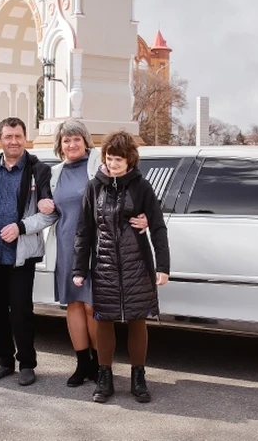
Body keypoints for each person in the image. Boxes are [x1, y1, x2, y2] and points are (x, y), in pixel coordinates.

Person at [47, 119, 149, 387]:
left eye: (76, 139)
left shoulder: (100, 165)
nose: (71, 144)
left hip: (99, 245)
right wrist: (27, 222)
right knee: (74, 305)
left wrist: (146, 217)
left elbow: (134, 192)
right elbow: (51, 212)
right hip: (68, 245)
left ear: (85, 141)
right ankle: (83, 363)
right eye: (66, 140)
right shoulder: (55, 173)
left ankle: (101, 365)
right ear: (60, 145)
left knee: (95, 306)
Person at [73, 130, 170, 404]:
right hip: (104, 265)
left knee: (138, 319)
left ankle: (138, 377)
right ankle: (105, 377)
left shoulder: (141, 186)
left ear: (130, 160)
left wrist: (163, 266)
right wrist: (79, 269)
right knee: (104, 319)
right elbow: (84, 231)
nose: (112, 164)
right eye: (109, 158)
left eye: (118, 159)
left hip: (137, 265)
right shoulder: (94, 187)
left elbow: (159, 226)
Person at [0, 117, 58, 387]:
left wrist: (21, 227)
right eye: (8, 136)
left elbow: (49, 214)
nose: (13, 141)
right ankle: (4, 361)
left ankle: (27, 363)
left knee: (21, 310)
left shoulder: (39, 170)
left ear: (26, 138)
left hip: (20, 253)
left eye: (18, 136)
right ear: (0, 138)